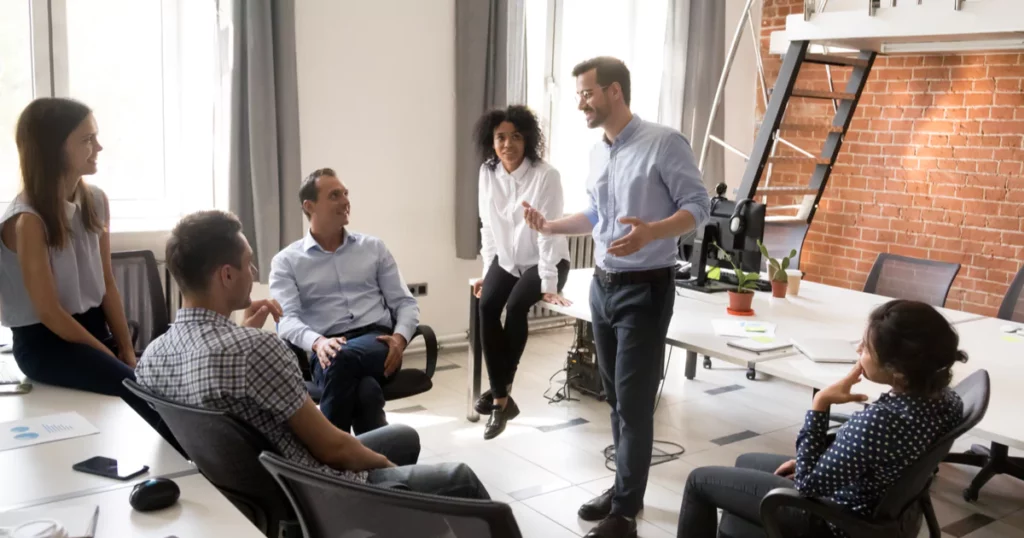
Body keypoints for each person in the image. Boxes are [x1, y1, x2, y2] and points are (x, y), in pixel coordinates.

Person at [136, 210, 489, 500]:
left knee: (403, 435)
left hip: (254, 493)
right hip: (317, 491)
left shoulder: (153, 357)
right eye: (248, 263)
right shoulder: (257, 350)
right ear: (227, 275)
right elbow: (333, 449)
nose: (254, 273)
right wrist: (388, 470)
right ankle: (391, 506)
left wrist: (242, 331)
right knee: (461, 478)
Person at [523, 57, 711, 538]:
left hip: (645, 288)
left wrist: (654, 232)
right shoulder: (597, 152)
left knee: (633, 403)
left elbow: (699, 206)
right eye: (578, 95)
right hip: (603, 286)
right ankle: (624, 490)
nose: (580, 104)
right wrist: (550, 225)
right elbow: (594, 215)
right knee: (615, 399)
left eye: (587, 94)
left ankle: (624, 513)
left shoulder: (664, 143)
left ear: (614, 92)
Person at [677, 300, 967, 537]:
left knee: (699, 481)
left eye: (867, 348)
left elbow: (806, 485)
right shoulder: (946, 400)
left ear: (898, 372)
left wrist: (821, 403)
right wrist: (819, 456)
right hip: (882, 509)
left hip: (837, 520)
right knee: (746, 462)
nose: (858, 350)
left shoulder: (880, 424)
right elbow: (873, 455)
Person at [0, 97, 180, 454]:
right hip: (46, 344)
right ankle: (197, 468)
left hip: (93, 330)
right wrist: (109, 357)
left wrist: (126, 349)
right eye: (87, 139)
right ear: (54, 148)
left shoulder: (96, 201)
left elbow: (107, 281)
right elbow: (50, 313)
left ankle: (188, 465)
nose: (98, 147)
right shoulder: (28, 221)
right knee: (148, 397)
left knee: (157, 388)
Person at [270, 169, 420, 434]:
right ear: (309, 206)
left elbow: (405, 303)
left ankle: (326, 452)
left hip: (377, 343)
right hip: (325, 348)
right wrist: (318, 342)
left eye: (345, 193)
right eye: (334, 195)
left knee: (341, 360)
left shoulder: (373, 248)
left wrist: (399, 339)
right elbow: (287, 320)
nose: (345, 201)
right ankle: (374, 457)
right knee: (366, 391)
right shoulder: (287, 261)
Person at [471, 105, 572, 440]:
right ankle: (502, 395)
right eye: (500, 137)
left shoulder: (546, 176)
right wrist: (488, 271)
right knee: (486, 305)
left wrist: (548, 283)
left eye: (515, 136)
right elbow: (487, 227)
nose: (508, 144)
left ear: (527, 139)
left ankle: (499, 398)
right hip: (507, 261)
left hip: (547, 260)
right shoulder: (488, 173)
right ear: (492, 141)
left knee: (515, 307)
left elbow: (548, 233)